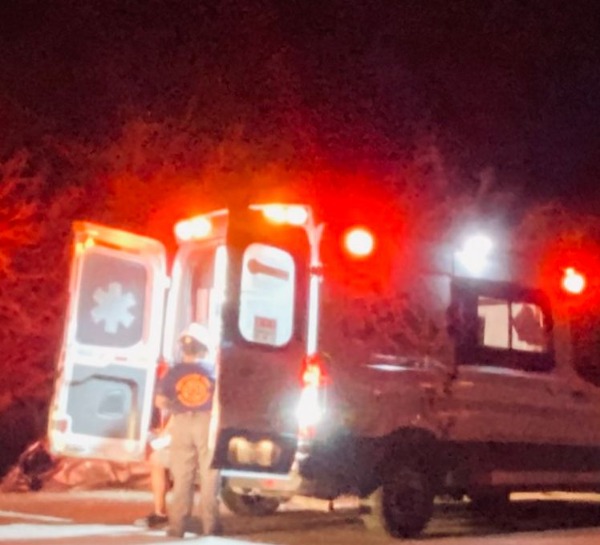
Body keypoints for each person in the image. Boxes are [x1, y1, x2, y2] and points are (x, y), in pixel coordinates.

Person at [155, 323, 221, 538]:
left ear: (183, 348)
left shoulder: (174, 372)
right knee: (209, 474)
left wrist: (177, 407)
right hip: (207, 424)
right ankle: (210, 528)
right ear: (204, 348)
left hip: (181, 423)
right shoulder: (213, 371)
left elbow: (160, 401)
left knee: (182, 476)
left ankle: (177, 527)